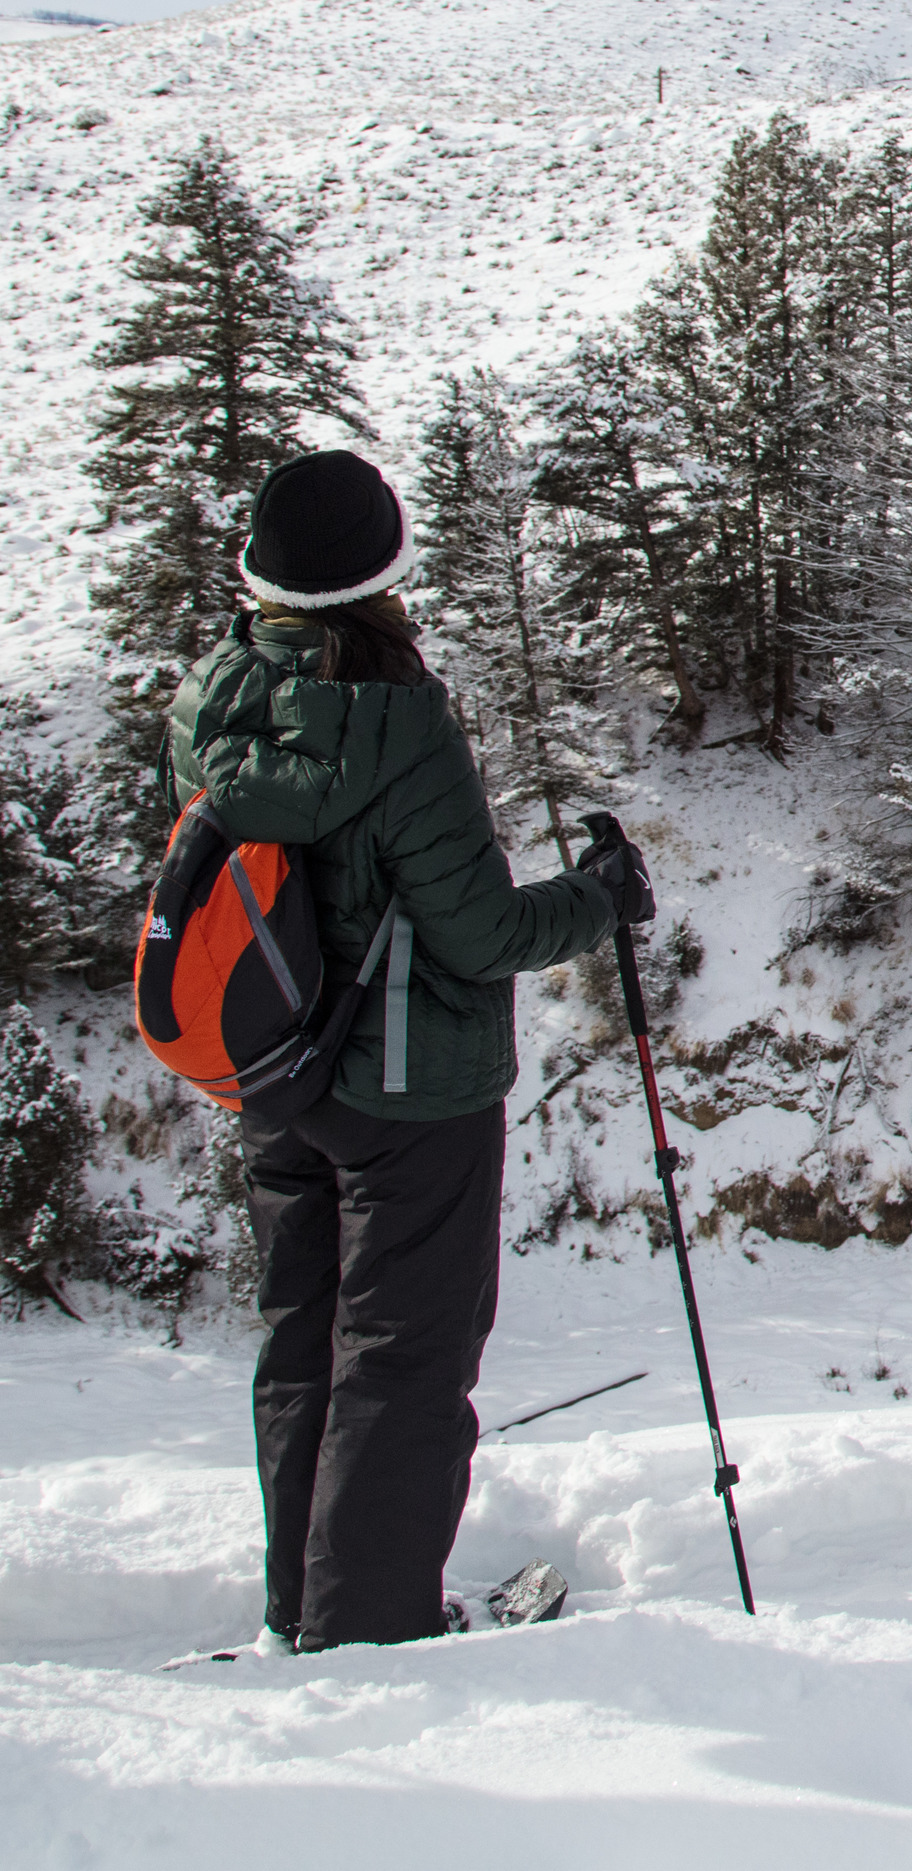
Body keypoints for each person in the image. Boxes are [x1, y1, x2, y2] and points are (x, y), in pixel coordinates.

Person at [170, 451, 639, 1650]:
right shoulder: (399, 724)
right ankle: (372, 1628)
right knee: (405, 1359)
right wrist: (598, 896)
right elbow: (478, 934)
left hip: (274, 1069)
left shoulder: (213, 702)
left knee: (303, 1340)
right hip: (413, 1091)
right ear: (386, 576)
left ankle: (306, 1606)